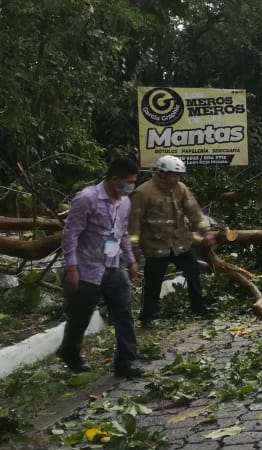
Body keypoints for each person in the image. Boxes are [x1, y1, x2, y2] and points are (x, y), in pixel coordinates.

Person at [56, 156, 145, 377]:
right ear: (115, 179)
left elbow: (122, 232)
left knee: (124, 312)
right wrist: (71, 268)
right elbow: (70, 234)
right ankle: (70, 351)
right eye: (128, 182)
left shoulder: (124, 202)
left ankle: (126, 361)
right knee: (80, 316)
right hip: (87, 268)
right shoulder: (87, 199)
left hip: (114, 265)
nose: (131, 186)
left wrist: (131, 260)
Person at [129, 154, 216, 327]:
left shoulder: (181, 189)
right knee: (153, 283)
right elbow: (134, 222)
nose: (176, 179)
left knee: (193, 274)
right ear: (161, 173)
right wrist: (134, 246)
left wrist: (206, 232)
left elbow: (194, 212)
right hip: (155, 245)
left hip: (180, 243)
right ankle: (147, 317)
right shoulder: (143, 192)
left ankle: (199, 308)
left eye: (178, 175)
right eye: (173, 175)